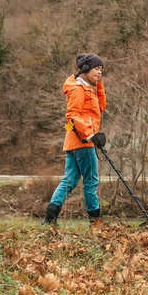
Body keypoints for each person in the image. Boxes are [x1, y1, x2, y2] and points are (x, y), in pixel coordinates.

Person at [42, 53, 107, 226]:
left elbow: (102, 107)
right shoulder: (79, 89)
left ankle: (49, 219)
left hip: (74, 141)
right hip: (83, 141)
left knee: (69, 180)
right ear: (86, 69)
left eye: (101, 69)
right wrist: (89, 134)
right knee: (91, 180)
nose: (99, 72)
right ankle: (95, 222)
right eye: (96, 69)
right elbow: (72, 115)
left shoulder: (87, 88)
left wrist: (98, 86)